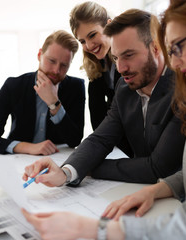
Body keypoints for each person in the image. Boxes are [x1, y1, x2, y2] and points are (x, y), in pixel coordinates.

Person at [22, 0, 186, 239]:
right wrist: (157, 189)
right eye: (117, 58)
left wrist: (93, 229)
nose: (173, 60)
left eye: (177, 48)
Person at [23, 9, 185, 186]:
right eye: (116, 58)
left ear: (156, 47)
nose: (121, 68)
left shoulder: (184, 88)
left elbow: (158, 168)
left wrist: (89, 167)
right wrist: (66, 172)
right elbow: (101, 138)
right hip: (140, 190)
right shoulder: (124, 88)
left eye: (128, 55)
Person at [0, 30, 85, 155]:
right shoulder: (13, 85)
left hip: (55, 158)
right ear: (39, 55)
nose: (56, 70)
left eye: (64, 65)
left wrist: (53, 103)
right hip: (18, 159)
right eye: (51, 61)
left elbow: (75, 140)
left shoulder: (76, 87)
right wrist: (29, 147)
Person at [69, 1, 133, 157]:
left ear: (109, 26)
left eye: (92, 35)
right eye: (82, 41)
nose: (89, 45)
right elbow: (98, 124)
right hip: (120, 150)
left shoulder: (131, 59)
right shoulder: (97, 69)